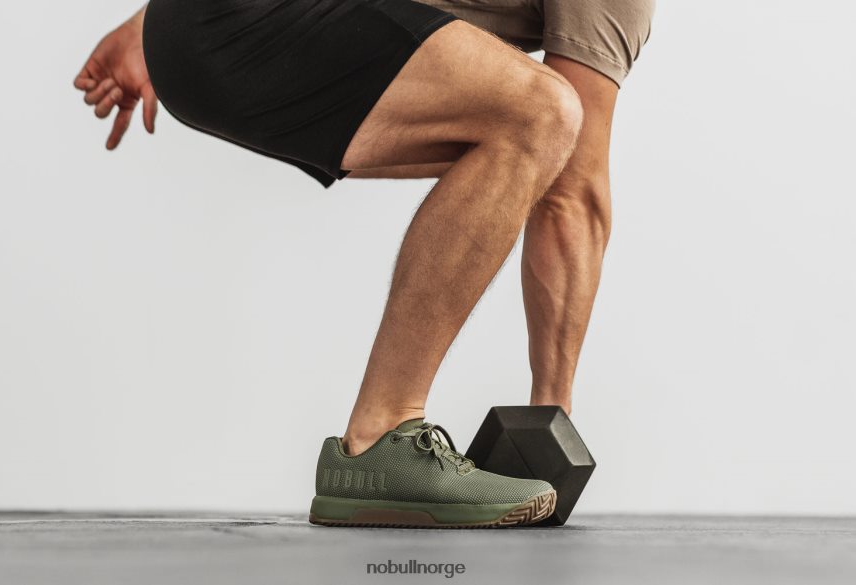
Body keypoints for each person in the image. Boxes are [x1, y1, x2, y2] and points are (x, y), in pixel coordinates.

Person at [74, 0, 654, 528]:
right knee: (543, 114)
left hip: (203, 31)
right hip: (236, 22)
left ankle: (382, 435)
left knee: (510, 133)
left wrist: (151, 23)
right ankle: (382, 433)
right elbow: (574, 193)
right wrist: (550, 418)